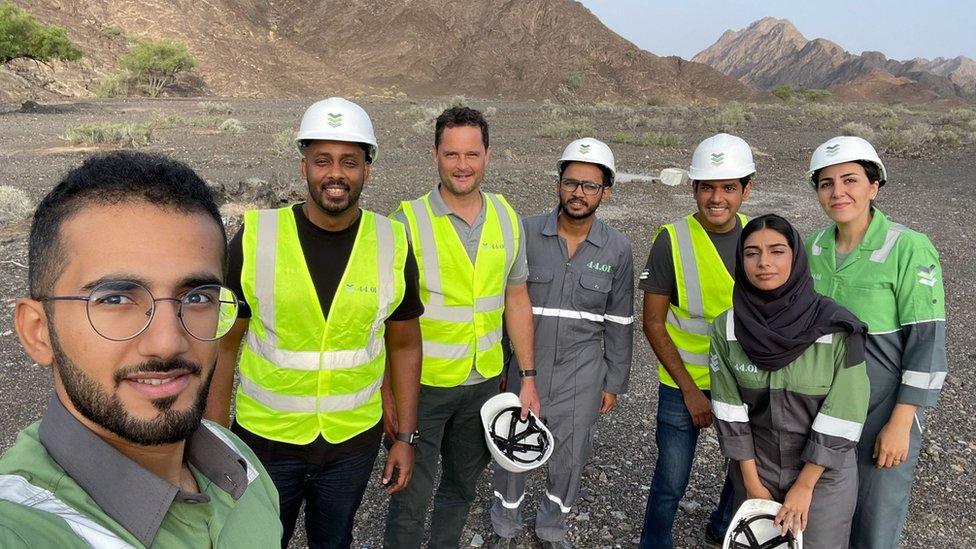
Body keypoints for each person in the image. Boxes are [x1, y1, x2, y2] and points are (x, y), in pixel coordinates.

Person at [1, 151, 282, 547]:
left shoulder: (238, 459)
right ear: (38, 331)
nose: (167, 342)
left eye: (198, 297)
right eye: (115, 300)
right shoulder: (19, 529)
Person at [205, 97, 423, 549]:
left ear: (368, 169)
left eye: (349, 161)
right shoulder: (255, 236)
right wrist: (214, 441)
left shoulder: (393, 242)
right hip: (266, 441)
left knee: (334, 541)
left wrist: (404, 436)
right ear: (304, 167)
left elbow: (404, 345)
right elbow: (221, 345)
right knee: (260, 541)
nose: (335, 173)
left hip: (352, 445)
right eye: (322, 160)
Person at [384, 106, 539, 548]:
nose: (463, 165)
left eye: (472, 154)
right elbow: (383, 319)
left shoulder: (508, 218)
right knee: (409, 493)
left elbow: (516, 298)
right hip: (423, 386)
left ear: (488, 154)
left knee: (461, 488)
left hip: (484, 384)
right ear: (434, 154)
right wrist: (385, 390)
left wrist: (528, 378)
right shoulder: (406, 222)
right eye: (452, 154)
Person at [490, 138, 635, 549]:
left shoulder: (618, 247)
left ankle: (552, 527)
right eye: (571, 182)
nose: (578, 192)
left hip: (583, 373)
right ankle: (505, 523)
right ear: (558, 184)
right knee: (512, 445)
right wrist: (503, 369)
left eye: (590, 186)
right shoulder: (525, 231)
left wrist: (613, 382)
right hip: (526, 367)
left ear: (605, 192)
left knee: (571, 456)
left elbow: (621, 321)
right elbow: (505, 306)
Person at [804, 136, 947, 549]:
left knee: (873, 521)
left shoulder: (908, 247)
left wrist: (900, 424)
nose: (838, 192)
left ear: (874, 186)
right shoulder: (812, 247)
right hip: (824, 409)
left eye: (849, 180)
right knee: (822, 516)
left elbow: (927, 343)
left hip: (880, 413)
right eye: (826, 183)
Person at [710, 213, 870, 548]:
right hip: (756, 466)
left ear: (796, 258)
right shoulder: (726, 328)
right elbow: (729, 412)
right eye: (751, 253)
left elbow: (844, 413)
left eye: (777, 251)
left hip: (823, 475)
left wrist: (804, 486)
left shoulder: (839, 328)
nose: (763, 263)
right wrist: (752, 487)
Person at [638, 133, 754, 548]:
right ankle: (654, 542)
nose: (716, 198)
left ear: (746, 189)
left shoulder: (758, 240)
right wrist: (690, 391)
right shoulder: (672, 239)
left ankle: (723, 526)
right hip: (681, 384)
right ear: (694, 189)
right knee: (670, 481)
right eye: (707, 187)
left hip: (741, 382)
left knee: (743, 471)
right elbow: (653, 322)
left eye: (728, 187)